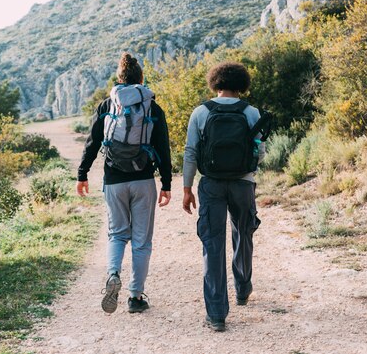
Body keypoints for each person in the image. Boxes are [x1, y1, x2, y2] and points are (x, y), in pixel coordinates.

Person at [77, 52, 172, 314]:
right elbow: (163, 147)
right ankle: (135, 297)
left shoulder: (107, 105)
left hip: (114, 180)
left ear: (119, 79)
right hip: (143, 180)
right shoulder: (152, 107)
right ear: (141, 79)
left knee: (117, 234)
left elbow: (93, 142)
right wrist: (166, 183)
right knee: (141, 241)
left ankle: (112, 274)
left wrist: (82, 174)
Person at [182, 62, 266, 332]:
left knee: (213, 244)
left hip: (212, 185)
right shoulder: (251, 112)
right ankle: (242, 287)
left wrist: (187, 188)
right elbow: (260, 151)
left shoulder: (201, 112)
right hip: (243, 184)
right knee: (244, 234)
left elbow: (191, 152)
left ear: (215, 83)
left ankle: (217, 314)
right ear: (241, 83)